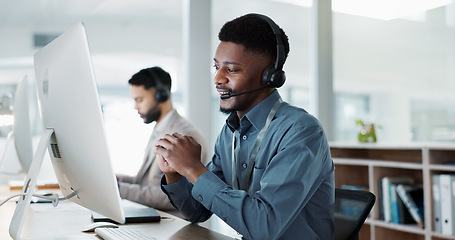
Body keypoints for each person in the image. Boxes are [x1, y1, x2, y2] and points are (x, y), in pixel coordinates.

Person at [154, 13, 335, 239]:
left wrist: (193, 168)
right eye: (217, 67)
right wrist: (175, 174)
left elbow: (264, 226)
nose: (217, 79)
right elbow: (197, 211)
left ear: (270, 76)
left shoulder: (300, 132)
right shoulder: (230, 132)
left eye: (231, 69)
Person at [116, 66, 208, 211]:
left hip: (174, 225)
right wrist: (117, 180)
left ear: (161, 95)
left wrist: (119, 189)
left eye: (139, 100)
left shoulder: (182, 135)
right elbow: (146, 184)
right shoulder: (161, 129)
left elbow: (171, 196)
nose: (135, 106)